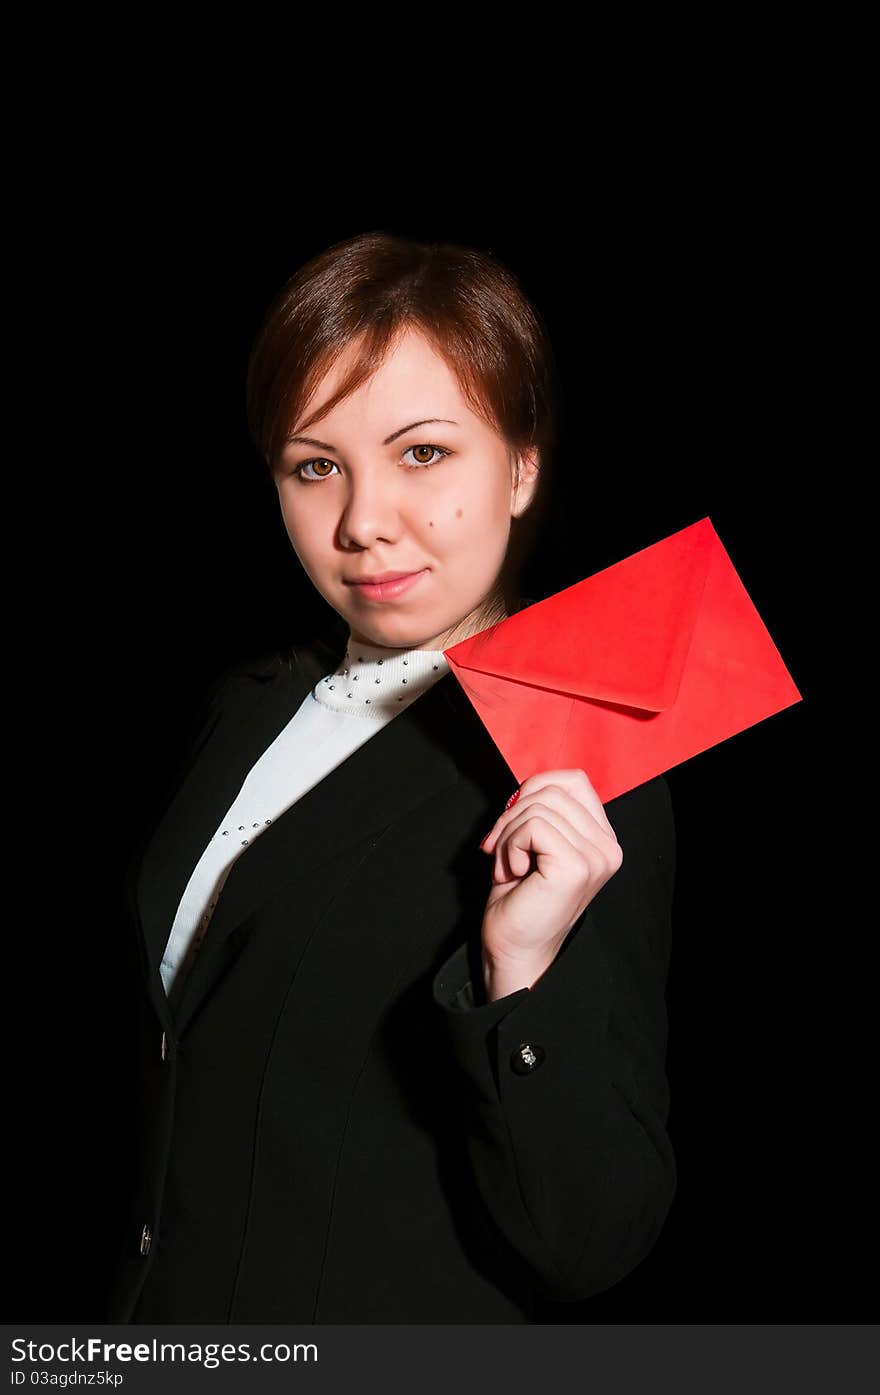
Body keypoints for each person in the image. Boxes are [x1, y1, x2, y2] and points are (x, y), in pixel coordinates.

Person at [106, 231, 677, 1324]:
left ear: (521, 466)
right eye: (315, 465)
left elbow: (590, 1241)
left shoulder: (579, 759)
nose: (362, 522)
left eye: (422, 454)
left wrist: (523, 968)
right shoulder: (248, 704)